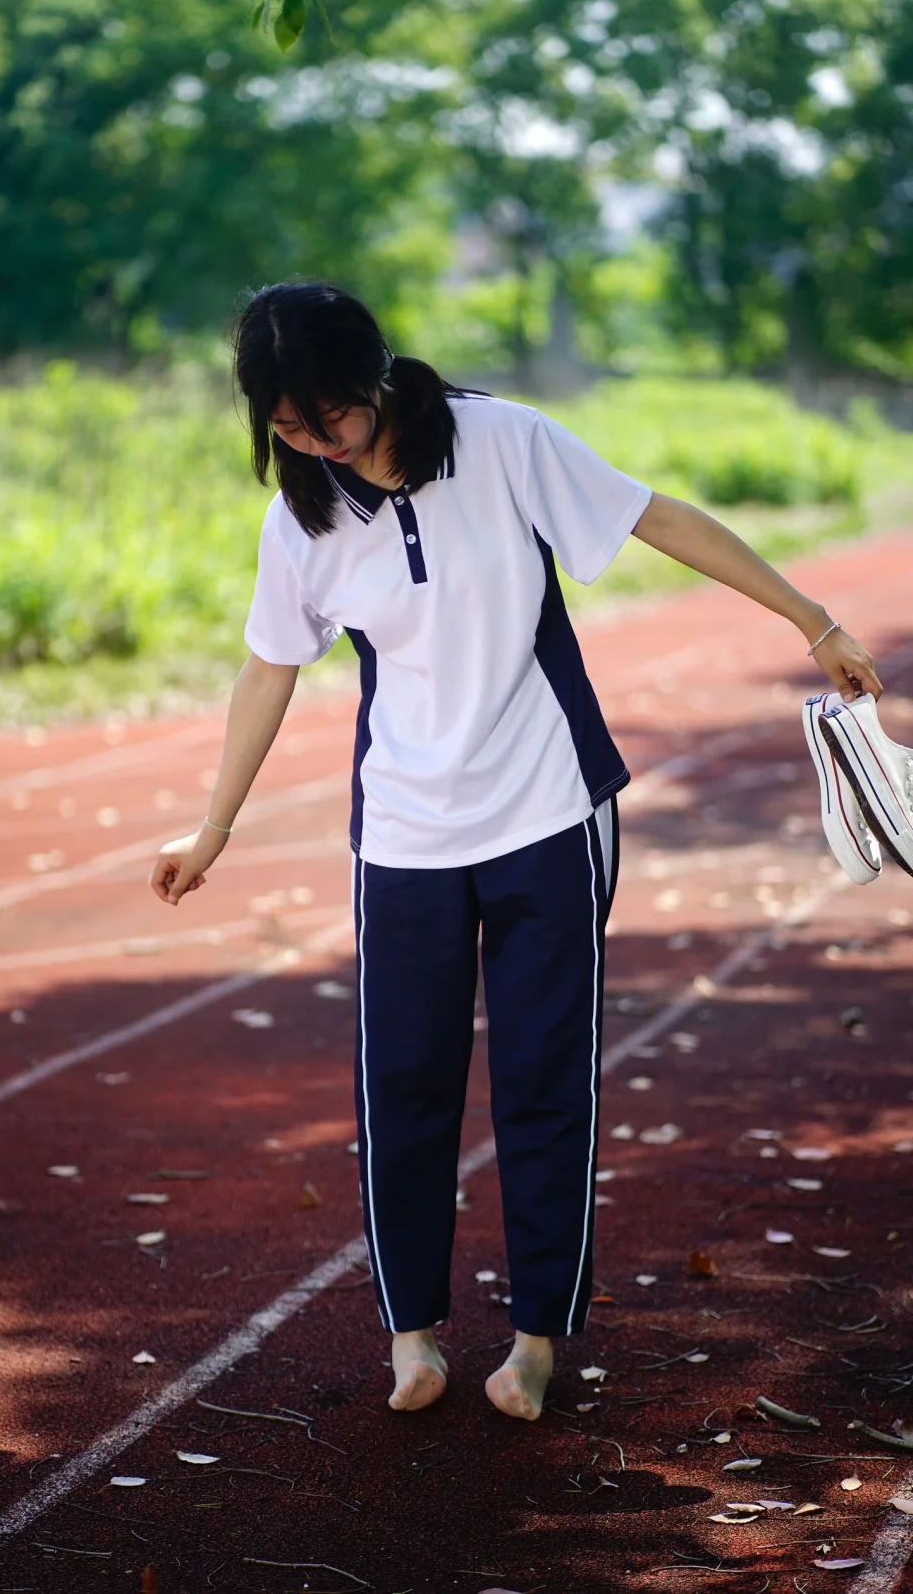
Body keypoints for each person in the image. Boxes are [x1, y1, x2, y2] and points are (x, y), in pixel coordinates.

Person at [149, 280, 880, 1421]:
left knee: (544, 1079)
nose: (312, 440)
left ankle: (537, 1338)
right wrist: (215, 823)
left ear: (376, 378)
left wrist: (811, 619)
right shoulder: (300, 516)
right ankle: (414, 1334)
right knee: (404, 1083)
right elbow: (268, 665)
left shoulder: (502, 440)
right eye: (284, 425)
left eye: (327, 415)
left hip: (547, 806)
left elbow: (661, 518)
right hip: (402, 829)